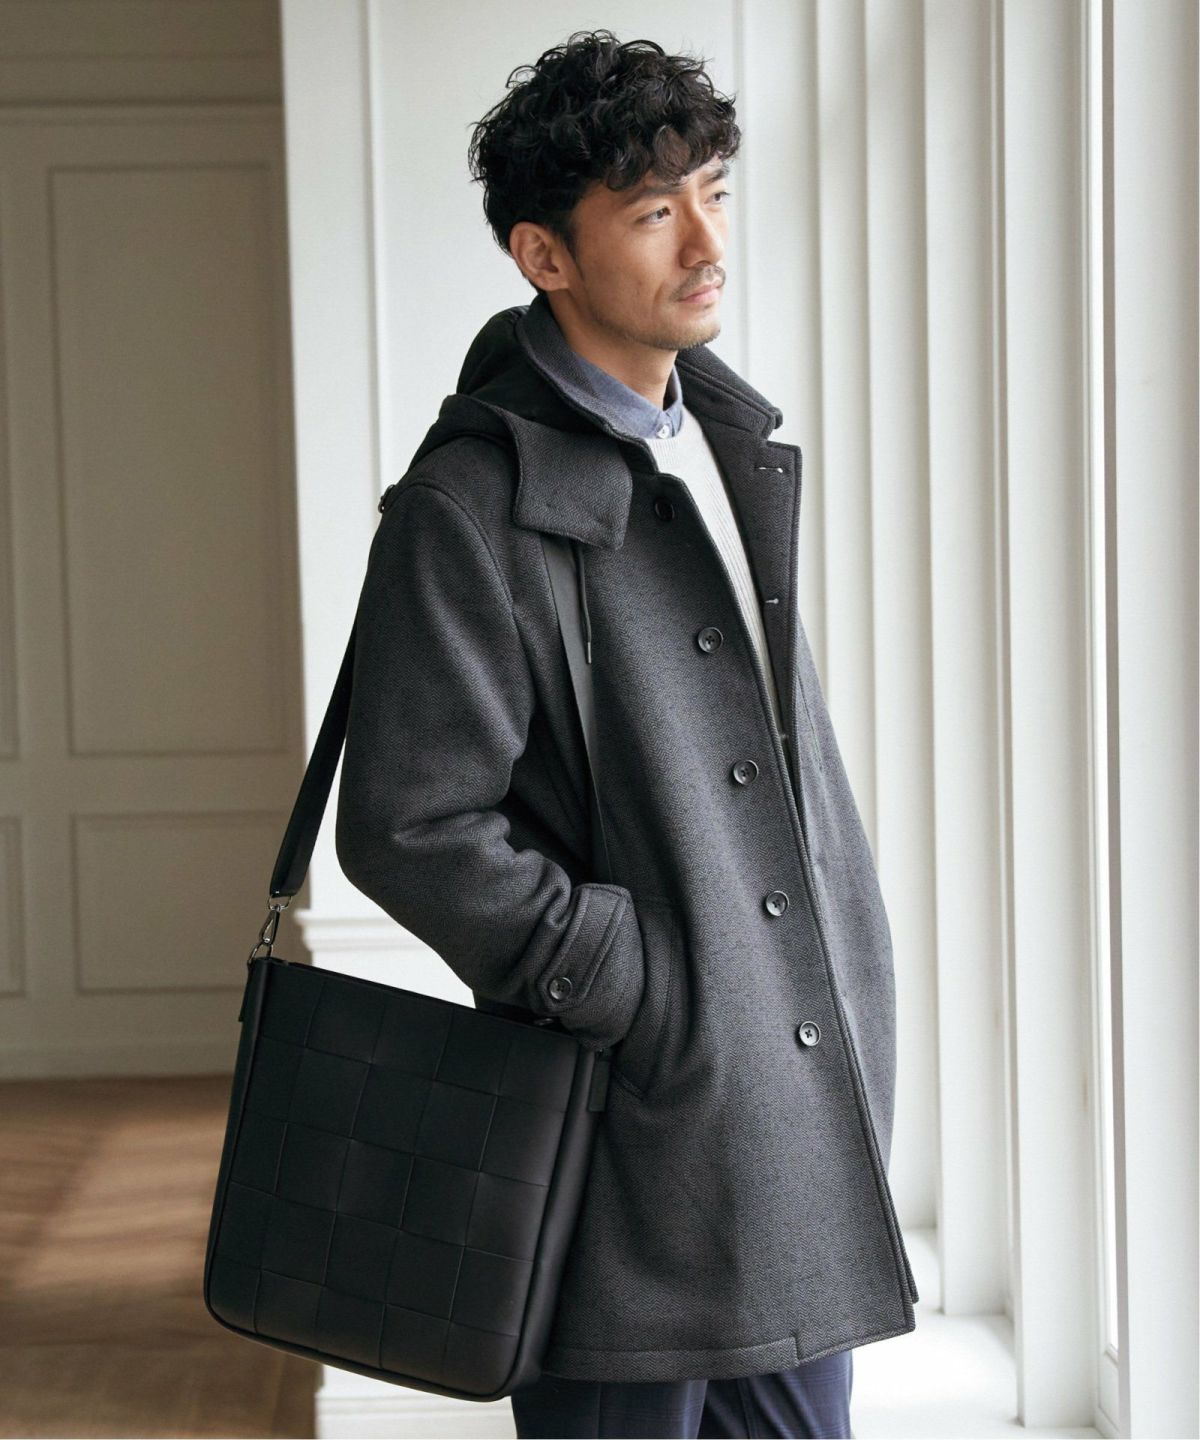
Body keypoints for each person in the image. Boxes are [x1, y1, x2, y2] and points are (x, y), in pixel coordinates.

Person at [335, 27, 916, 1440]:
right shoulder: (467, 507)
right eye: (655, 212)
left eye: (714, 191)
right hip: (625, 1142)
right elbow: (409, 825)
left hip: (784, 1125)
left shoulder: (715, 435)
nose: (706, 242)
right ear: (544, 255)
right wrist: (640, 982)